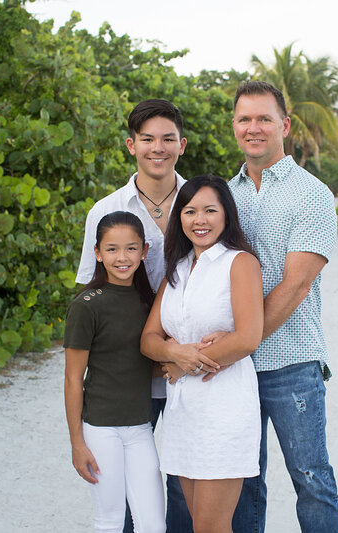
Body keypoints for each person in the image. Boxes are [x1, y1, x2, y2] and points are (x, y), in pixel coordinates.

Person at [227, 81, 338, 532]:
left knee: (312, 479)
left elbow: (295, 286)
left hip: (291, 361)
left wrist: (238, 343)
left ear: (285, 125)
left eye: (263, 119)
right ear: (234, 126)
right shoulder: (223, 194)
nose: (253, 128)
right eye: (244, 119)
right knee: (242, 482)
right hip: (235, 368)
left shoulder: (311, 194)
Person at [74, 99, 191, 532]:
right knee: (122, 495)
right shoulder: (105, 210)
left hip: (187, 368)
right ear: (131, 145)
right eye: (147, 140)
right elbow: (92, 294)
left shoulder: (201, 204)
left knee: (182, 488)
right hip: (128, 378)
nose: (156, 148)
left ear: (182, 144)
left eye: (167, 139)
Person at [140, 175, 264, 533]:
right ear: (180, 217)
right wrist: (175, 354)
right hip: (184, 410)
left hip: (224, 408)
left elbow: (247, 337)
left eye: (210, 210)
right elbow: (149, 339)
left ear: (226, 215)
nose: (200, 219)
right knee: (198, 523)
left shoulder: (239, 262)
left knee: (211, 526)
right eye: (191, 210)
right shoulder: (177, 269)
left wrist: (187, 364)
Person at [64, 211, 165, 533]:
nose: (122, 257)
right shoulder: (86, 305)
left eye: (131, 248)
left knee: (153, 524)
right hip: (101, 428)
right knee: (108, 521)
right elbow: (72, 378)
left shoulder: (149, 302)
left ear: (145, 251)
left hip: (140, 427)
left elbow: (149, 362)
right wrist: (77, 443)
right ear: (97, 253)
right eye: (111, 249)